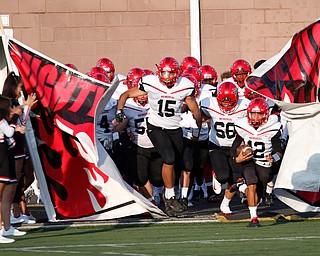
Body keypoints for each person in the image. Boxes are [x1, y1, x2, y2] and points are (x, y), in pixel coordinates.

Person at [117, 57, 202, 216]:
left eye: (170, 73)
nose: (167, 76)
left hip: (174, 127)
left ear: (176, 73)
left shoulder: (185, 85)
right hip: (155, 126)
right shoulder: (151, 82)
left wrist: (198, 124)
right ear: (159, 72)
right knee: (169, 158)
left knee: (173, 163)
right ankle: (170, 196)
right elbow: (126, 94)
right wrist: (120, 111)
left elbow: (193, 107)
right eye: (164, 72)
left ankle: (168, 199)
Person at [113, 68, 163, 205]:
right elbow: (116, 127)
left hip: (157, 144)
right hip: (138, 145)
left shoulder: (157, 101)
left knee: (157, 178)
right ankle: (150, 202)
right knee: (140, 176)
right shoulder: (126, 105)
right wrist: (123, 124)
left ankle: (161, 193)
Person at [231, 98, 283, 227]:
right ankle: (254, 218)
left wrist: (273, 158)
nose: (255, 117)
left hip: (264, 164)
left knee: (257, 193)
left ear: (265, 114)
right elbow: (234, 147)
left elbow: (279, 151)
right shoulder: (242, 125)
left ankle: (241, 187)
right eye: (253, 113)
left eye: (259, 114)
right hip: (249, 161)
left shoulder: (274, 127)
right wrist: (236, 159)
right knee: (252, 184)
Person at [200, 81, 250, 215]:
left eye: (230, 103)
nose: (226, 107)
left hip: (235, 147)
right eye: (223, 103)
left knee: (235, 179)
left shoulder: (244, 106)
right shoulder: (208, 103)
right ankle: (216, 174)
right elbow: (199, 114)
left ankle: (225, 204)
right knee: (223, 177)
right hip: (217, 145)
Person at [2, 72, 37, 225]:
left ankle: (15, 214)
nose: (20, 90)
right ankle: (13, 216)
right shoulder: (8, 103)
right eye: (19, 87)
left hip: (17, 146)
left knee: (16, 181)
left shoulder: (14, 102)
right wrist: (26, 107)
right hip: (12, 147)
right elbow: (18, 124)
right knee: (12, 183)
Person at [178, 73, 209, 209]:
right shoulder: (176, 98)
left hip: (202, 137)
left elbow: (211, 118)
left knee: (199, 168)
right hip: (184, 137)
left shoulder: (205, 98)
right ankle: (185, 196)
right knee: (187, 167)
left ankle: (199, 184)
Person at [0, 95, 26, 243]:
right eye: (9, 107)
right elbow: (9, 133)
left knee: (7, 193)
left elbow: (10, 140)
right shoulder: (3, 121)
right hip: (2, 157)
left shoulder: (4, 121)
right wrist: (14, 126)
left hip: (6, 156)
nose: (11, 109)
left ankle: (7, 227)